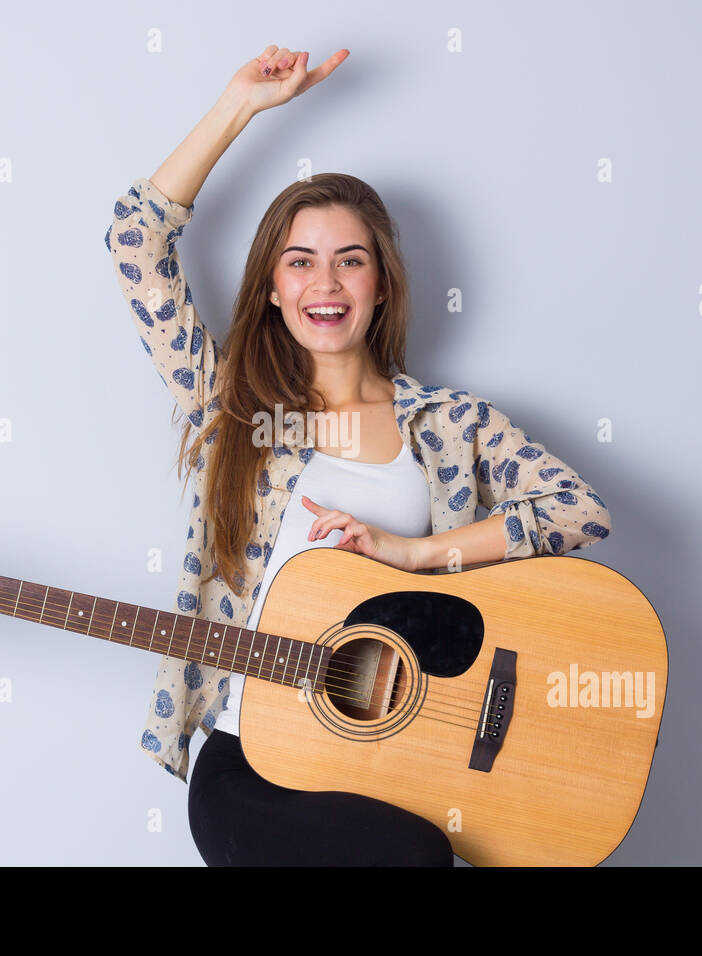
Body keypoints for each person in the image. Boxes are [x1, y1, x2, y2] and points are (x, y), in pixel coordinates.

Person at [105, 45, 612, 865]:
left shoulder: (448, 424)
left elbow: (578, 512)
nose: (325, 283)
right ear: (273, 287)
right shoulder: (230, 405)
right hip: (253, 761)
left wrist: (413, 553)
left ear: (382, 284)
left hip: (390, 754)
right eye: (299, 261)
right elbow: (134, 242)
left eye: (350, 260)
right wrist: (239, 105)